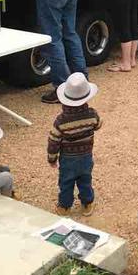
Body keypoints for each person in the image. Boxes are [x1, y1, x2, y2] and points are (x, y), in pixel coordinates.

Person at [47, 72, 101, 217]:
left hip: (67, 158)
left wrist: (52, 159)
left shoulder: (60, 121)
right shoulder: (92, 114)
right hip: (86, 155)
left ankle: (64, 207)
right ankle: (87, 204)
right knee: (85, 180)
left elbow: (53, 141)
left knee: (66, 182)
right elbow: (98, 125)